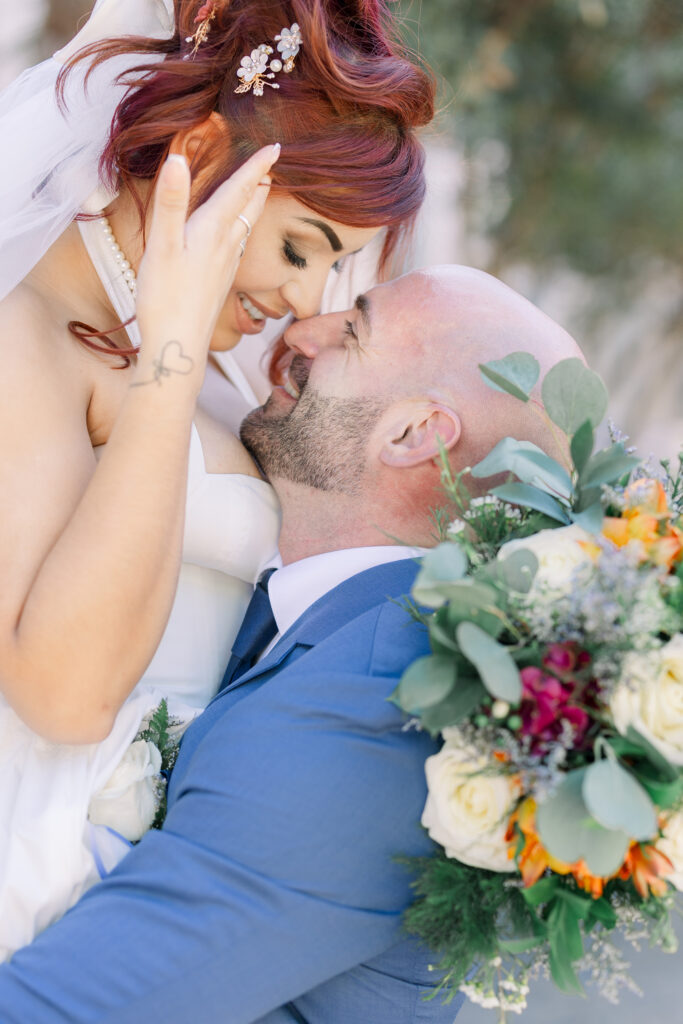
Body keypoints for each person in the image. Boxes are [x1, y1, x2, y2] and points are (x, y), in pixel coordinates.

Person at [0, 265, 585, 1022]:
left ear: (413, 435)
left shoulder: (377, 715)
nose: (300, 330)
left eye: (351, 330)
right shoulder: (331, 617)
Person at [0, 0, 434, 959]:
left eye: (336, 272)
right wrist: (169, 353)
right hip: (48, 871)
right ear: (197, 151)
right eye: (297, 249)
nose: (303, 302)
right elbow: (62, 698)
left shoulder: (233, 370)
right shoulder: (24, 339)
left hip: (181, 873)